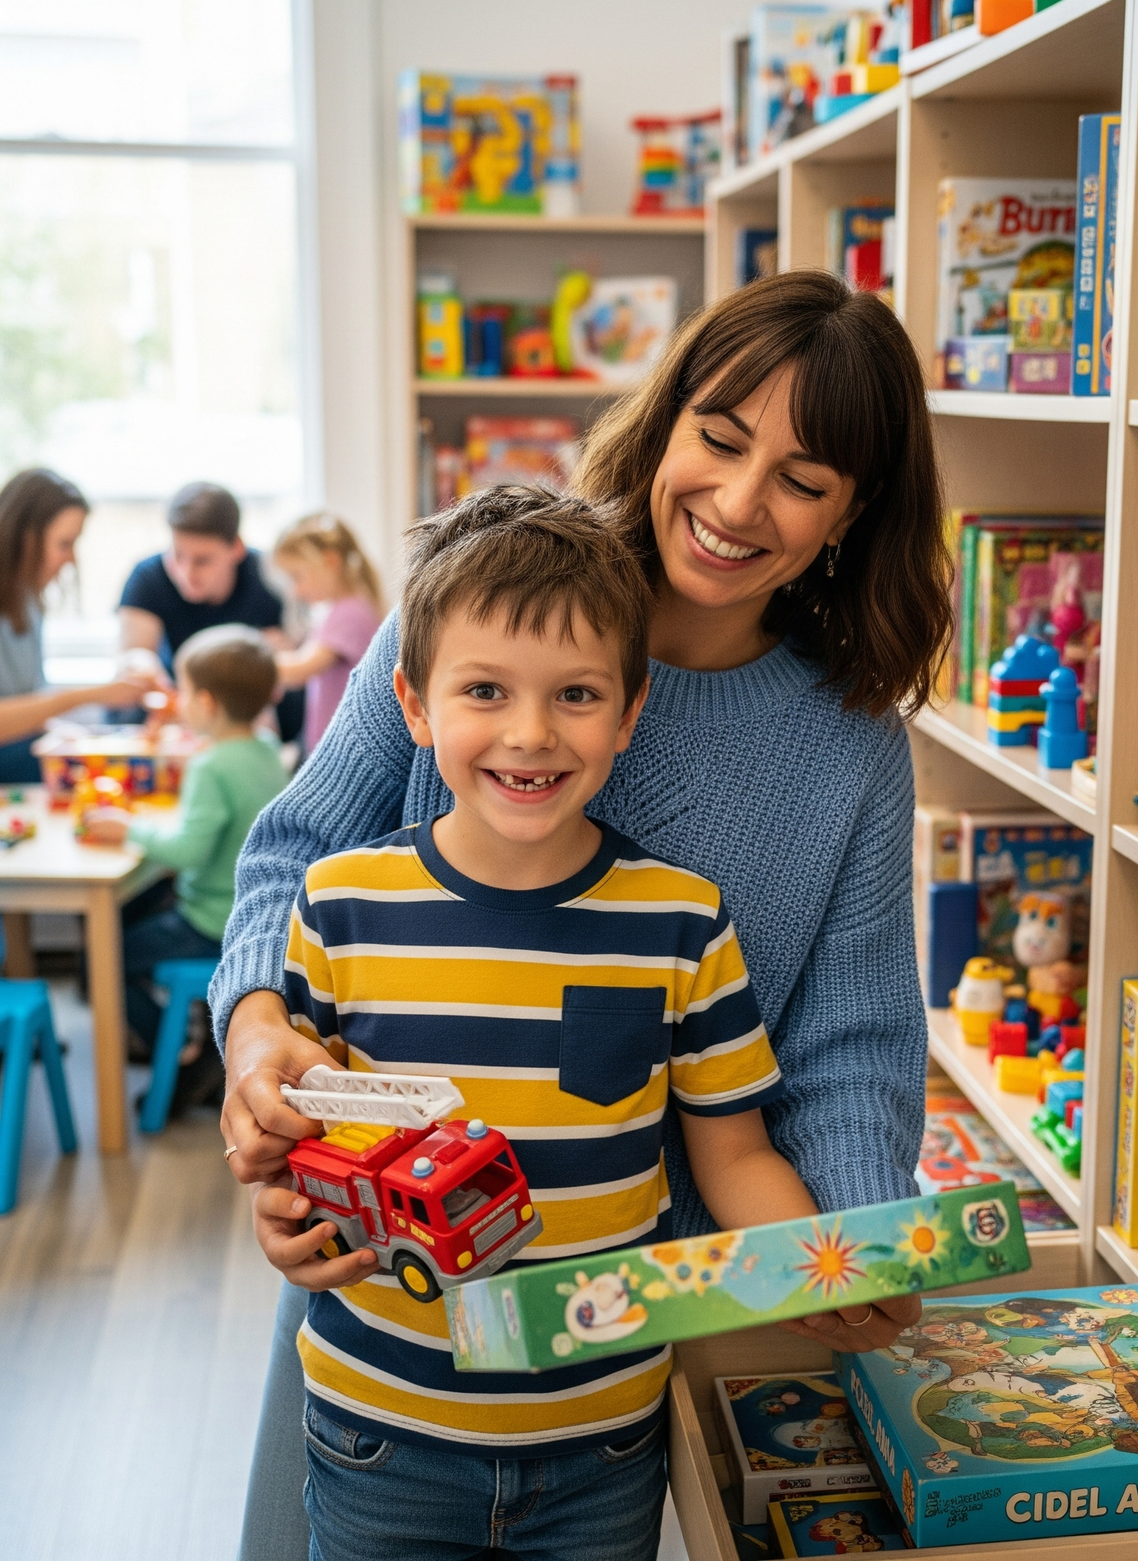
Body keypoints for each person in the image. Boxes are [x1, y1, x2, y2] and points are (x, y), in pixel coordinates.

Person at [215, 270, 952, 1561]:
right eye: (719, 441)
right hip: (388, 1297)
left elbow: (852, 1043)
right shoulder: (485, 595)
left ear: (853, 514)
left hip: (611, 1342)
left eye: (800, 478)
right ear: (665, 420)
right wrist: (260, 1042)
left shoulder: (849, 750)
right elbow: (295, 857)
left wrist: (846, 1244)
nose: (734, 503)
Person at [264, 486, 830, 1559]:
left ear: (628, 711)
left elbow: (734, 1154)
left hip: (601, 1441)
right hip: (379, 1428)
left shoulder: (682, 920)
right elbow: (299, 1143)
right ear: (415, 706)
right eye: (484, 689)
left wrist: (826, 1266)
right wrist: (286, 1211)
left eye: (575, 694)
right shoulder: (336, 905)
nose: (530, 733)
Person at [84, 626, 288, 1104]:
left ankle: (180, 1058)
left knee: (100, 959)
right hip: (253, 914)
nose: (178, 699)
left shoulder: (212, 765)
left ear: (209, 704)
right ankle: (190, 1053)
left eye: (184, 689)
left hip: (212, 919)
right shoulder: (264, 749)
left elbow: (189, 851)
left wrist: (127, 828)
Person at [0, 467, 160, 780]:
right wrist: (93, 694)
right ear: (26, 539)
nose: (71, 559)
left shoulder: (28, 602)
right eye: (64, 543)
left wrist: (80, 737)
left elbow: (28, 709)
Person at [118, 480, 303, 739]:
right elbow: (135, 653)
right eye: (178, 555)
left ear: (236, 548)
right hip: (177, 714)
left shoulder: (270, 578)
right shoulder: (147, 577)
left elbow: (295, 661)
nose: (186, 573)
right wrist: (141, 667)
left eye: (202, 560)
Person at [270, 514, 384, 754]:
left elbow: (301, 669)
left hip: (344, 749)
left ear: (330, 561)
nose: (294, 591)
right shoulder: (342, 609)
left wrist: (249, 663)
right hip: (334, 745)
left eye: (297, 577)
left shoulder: (349, 612)